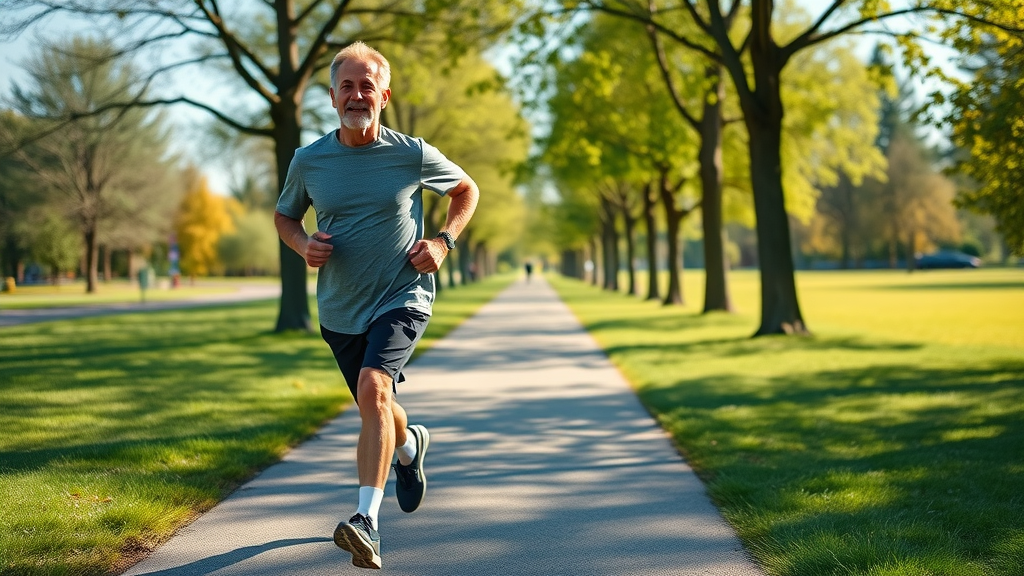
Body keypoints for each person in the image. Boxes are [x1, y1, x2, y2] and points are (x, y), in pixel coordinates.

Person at [274, 41, 479, 570]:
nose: (357, 95)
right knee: (377, 405)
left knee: (372, 388)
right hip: (340, 308)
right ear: (332, 95)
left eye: (368, 86)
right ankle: (409, 446)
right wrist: (302, 245)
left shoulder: (410, 153)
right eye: (347, 85)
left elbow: (466, 191)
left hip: (401, 294)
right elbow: (285, 217)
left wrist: (443, 242)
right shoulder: (309, 160)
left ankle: (366, 521)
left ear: (384, 96)